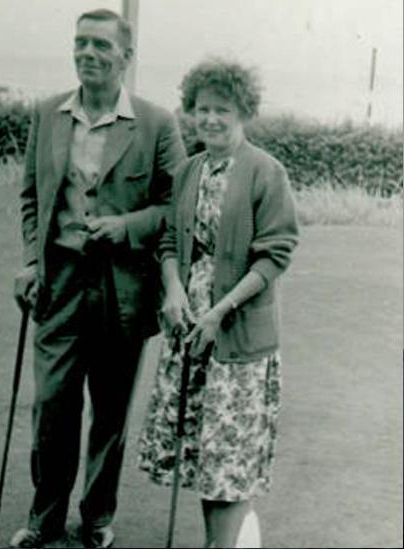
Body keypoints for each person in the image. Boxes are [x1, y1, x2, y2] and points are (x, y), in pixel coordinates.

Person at [11, 8, 186, 548]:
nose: (88, 53)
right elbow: (32, 199)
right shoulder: (47, 115)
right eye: (81, 43)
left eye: (101, 46)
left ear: (125, 57)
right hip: (59, 285)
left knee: (109, 413)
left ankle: (96, 518)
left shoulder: (157, 124)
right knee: (52, 407)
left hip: (123, 293)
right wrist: (31, 262)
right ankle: (45, 517)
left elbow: (177, 207)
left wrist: (127, 227)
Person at [137, 58, 299, 548]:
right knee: (205, 451)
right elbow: (167, 240)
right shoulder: (189, 170)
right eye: (201, 109)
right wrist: (172, 289)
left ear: (243, 111)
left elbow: (275, 254)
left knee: (230, 453)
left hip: (236, 333)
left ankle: (222, 545)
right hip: (190, 327)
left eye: (221, 109)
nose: (210, 118)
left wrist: (218, 310)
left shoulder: (266, 172)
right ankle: (222, 542)